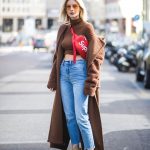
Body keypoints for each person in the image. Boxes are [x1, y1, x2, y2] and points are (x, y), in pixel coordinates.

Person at [47, 0, 105, 150]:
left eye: (75, 6)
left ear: (80, 8)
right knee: (70, 116)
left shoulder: (87, 27)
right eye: (68, 6)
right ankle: (75, 146)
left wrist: (92, 80)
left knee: (81, 116)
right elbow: (57, 56)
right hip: (64, 72)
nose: (71, 9)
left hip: (80, 72)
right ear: (65, 10)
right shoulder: (63, 29)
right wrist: (54, 78)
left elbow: (96, 55)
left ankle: (90, 148)